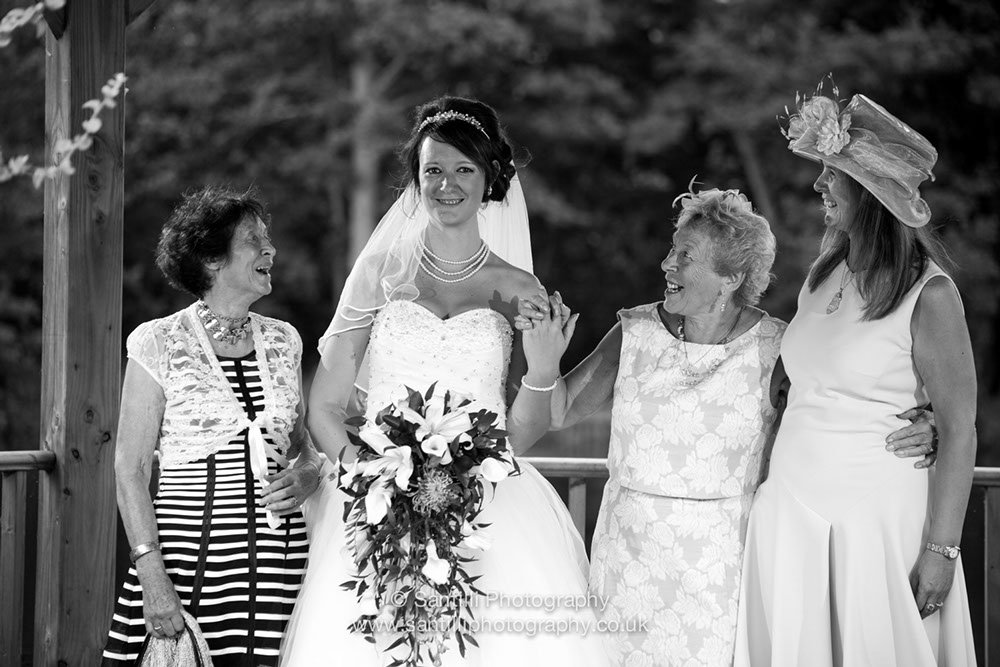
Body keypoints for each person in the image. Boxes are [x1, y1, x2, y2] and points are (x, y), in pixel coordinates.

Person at [515, 185, 938, 666]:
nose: (666, 265)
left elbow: (837, 407)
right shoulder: (632, 331)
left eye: (685, 257)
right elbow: (559, 411)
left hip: (723, 566)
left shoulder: (779, 346)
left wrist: (928, 422)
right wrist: (544, 360)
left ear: (731, 277)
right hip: (626, 555)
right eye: (672, 251)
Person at [279, 96, 609, 666]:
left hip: (489, 506)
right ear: (416, 177)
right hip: (374, 505)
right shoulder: (379, 274)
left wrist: (546, 366)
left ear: (490, 181)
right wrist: (376, 482)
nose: (447, 185)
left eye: (464, 170)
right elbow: (327, 407)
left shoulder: (520, 289)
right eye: (433, 169)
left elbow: (526, 428)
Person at [734, 85, 978, 666]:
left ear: (869, 192)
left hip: (875, 518)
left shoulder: (931, 293)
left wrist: (942, 548)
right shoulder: (823, 275)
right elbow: (808, 381)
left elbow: (961, 427)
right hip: (791, 512)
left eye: (831, 174)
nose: (820, 185)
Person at [102, 186, 321, 666]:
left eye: (269, 238)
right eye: (254, 240)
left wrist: (309, 474)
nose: (271, 249)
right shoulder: (157, 341)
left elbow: (304, 445)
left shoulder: (285, 340)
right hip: (186, 572)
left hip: (279, 576)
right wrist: (151, 576)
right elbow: (131, 469)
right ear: (211, 258)